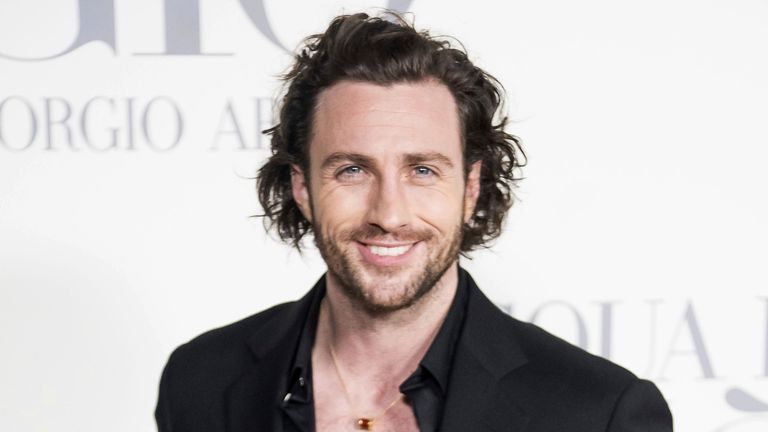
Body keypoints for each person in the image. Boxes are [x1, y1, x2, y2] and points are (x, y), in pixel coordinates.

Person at [155, 12, 673, 432]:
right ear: (302, 187)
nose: (389, 214)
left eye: (422, 170)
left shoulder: (598, 412)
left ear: (470, 188)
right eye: (353, 170)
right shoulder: (200, 381)